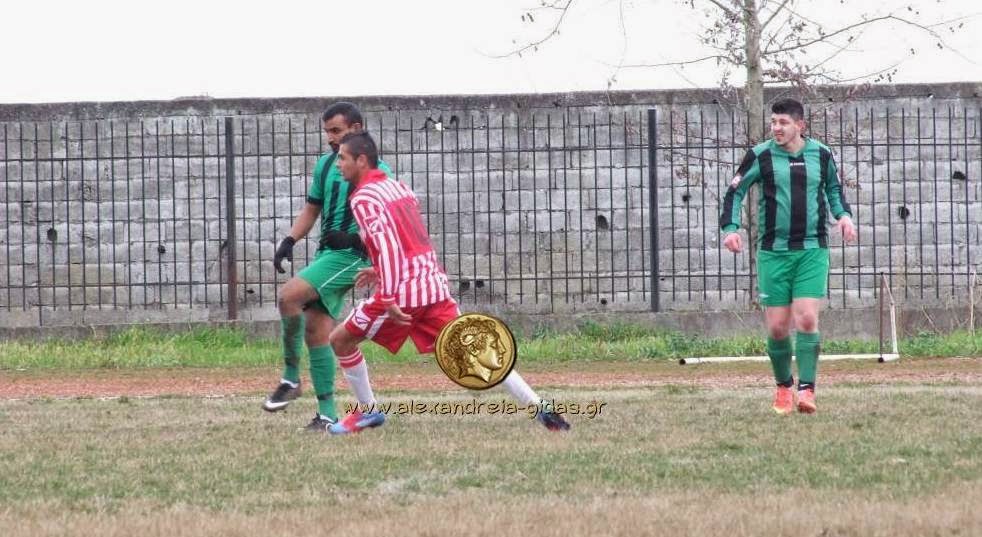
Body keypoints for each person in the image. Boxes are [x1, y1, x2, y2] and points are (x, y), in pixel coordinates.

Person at [324, 131, 571, 434]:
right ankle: (539, 406)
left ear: (361, 160)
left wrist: (386, 294)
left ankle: (368, 412)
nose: (338, 164)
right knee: (474, 353)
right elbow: (409, 238)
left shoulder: (363, 198)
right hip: (433, 285)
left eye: (342, 158)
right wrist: (380, 269)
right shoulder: (399, 188)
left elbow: (387, 246)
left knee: (340, 340)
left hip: (403, 292)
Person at [719, 98, 857, 415]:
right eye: (773, 122)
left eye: (783, 122)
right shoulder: (760, 155)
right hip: (773, 252)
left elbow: (834, 190)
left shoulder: (821, 154)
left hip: (811, 249)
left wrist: (844, 216)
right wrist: (730, 228)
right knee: (778, 328)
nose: (776, 128)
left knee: (806, 318)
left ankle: (807, 390)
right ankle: (784, 387)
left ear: (800, 125)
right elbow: (735, 191)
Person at [263, 102, 392, 432]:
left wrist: (359, 243)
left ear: (356, 129)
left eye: (336, 131)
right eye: (327, 132)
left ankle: (291, 378)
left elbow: (386, 221)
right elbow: (312, 209)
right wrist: (289, 240)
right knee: (315, 329)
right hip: (327, 255)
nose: (330, 138)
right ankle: (327, 415)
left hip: (352, 258)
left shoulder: (380, 172)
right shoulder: (325, 165)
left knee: (289, 296)